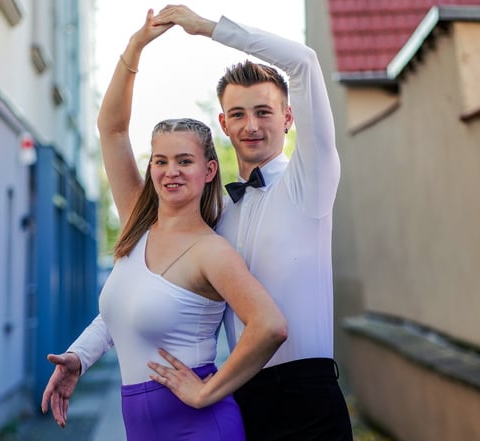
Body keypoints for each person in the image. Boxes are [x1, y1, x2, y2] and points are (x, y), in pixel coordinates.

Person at [40, 9, 287, 441]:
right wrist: (79, 357)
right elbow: (111, 129)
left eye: (185, 161)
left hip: (202, 427)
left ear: (210, 170)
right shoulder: (139, 223)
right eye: (161, 161)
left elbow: (270, 326)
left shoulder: (212, 250)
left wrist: (208, 390)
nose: (170, 171)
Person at [145, 6, 354, 440]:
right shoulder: (216, 211)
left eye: (264, 112)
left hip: (309, 399)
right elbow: (149, 274)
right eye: (238, 114)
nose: (251, 125)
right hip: (242, 398)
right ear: (223, 124)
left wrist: (205, 27)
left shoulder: (310, 182)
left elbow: (305, 61)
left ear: (288, 119)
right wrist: (84, 353)